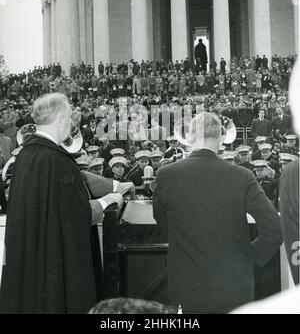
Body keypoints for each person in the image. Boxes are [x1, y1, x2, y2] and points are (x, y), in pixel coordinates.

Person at [0, 93, 124, 314]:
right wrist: (105, 202)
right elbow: (76, 216)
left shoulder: (26, 155)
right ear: (59, 120)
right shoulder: (56, 160)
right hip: (54, 268)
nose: (71, 123)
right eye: (68, 118)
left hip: (34, 267)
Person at [153, 112, 282, 313]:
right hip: (235, 285)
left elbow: (163, 225)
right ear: (222, 139)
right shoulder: (242, 176)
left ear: (190, 137)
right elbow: (274, 229)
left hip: (187, 285)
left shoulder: (166, 175)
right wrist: (248, 259)